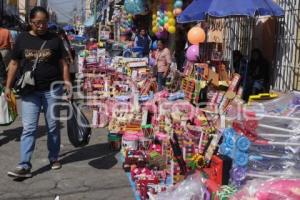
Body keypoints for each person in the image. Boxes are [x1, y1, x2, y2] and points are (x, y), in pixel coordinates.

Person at [4, 6, 71, 178]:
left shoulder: (54, 39)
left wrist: (67, 82)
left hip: (52, 89)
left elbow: (63, 62)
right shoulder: (22, 39)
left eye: (44, 22)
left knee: (53, 126)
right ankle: (24, 164)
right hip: (30, 91)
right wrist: (8, 86)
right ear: (30, 22)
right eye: (37, 22)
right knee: (29, 128)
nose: (41, 26)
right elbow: (13, 63)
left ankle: (54, 157)